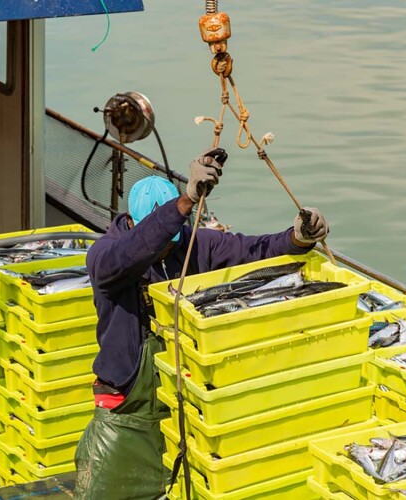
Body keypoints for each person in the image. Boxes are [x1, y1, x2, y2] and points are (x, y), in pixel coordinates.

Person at [74, 151, 330, 500]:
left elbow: (253, 250)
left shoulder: (195, 245)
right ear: (136, 225)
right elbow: (134, 253)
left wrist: (298, 238)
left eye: (172, 242)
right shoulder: (106, 256)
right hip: (127, 410)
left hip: (186, 399)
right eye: (161, 243)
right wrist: (186, 200)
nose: (166, 251)